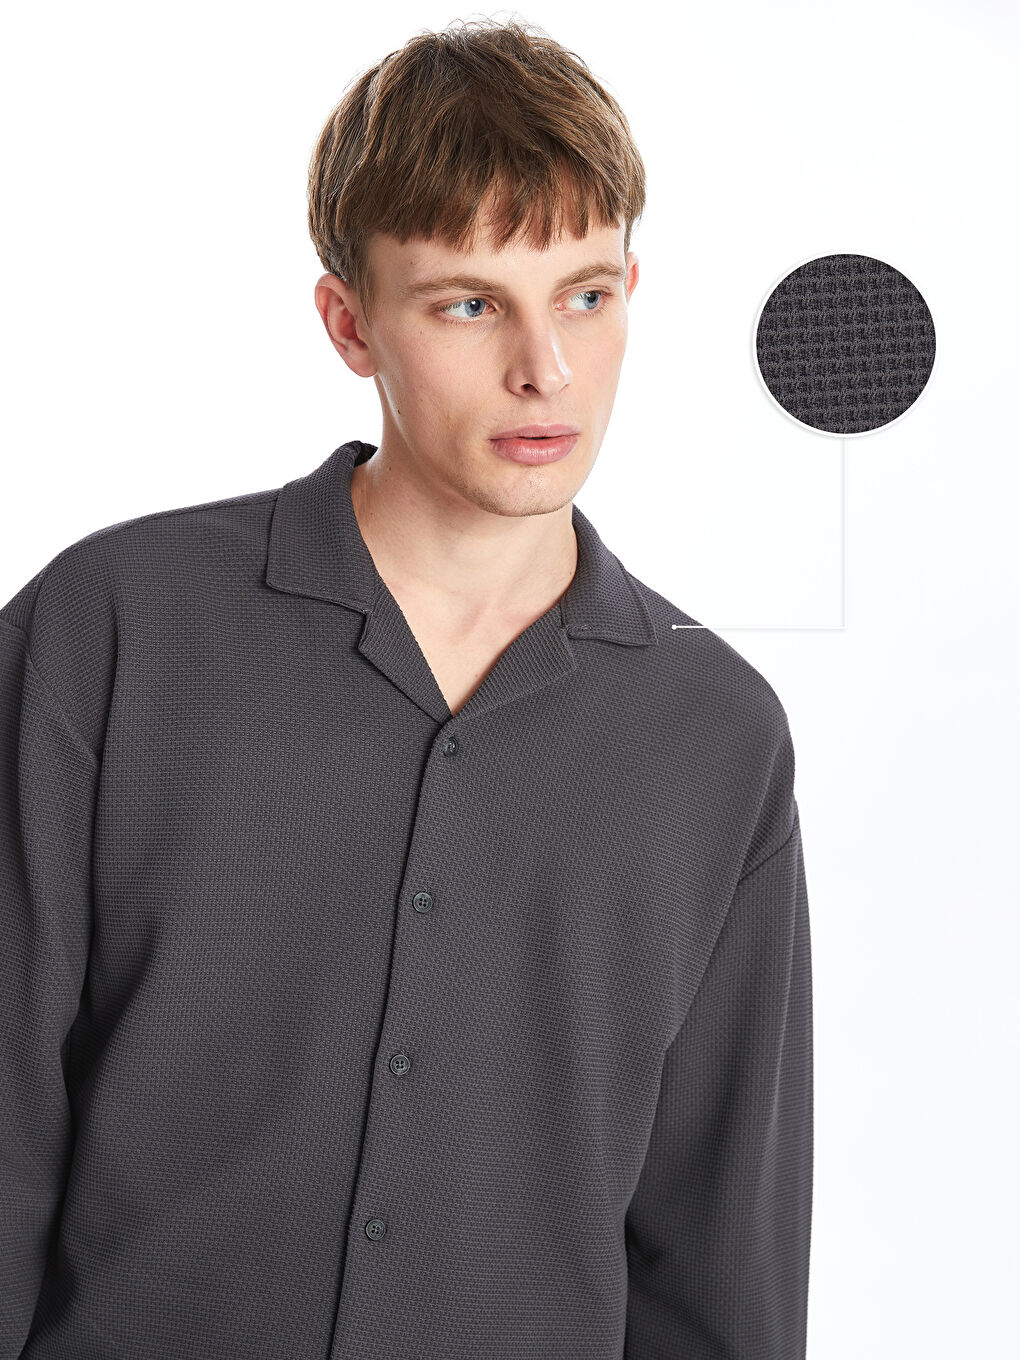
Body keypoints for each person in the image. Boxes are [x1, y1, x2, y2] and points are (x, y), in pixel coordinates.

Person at [0, 17, 812, 1360]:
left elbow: (718, 1251)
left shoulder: (717, 735)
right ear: (350, 323)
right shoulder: (115, 630)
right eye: (469, 303)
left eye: (585, 296)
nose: (545, 368)